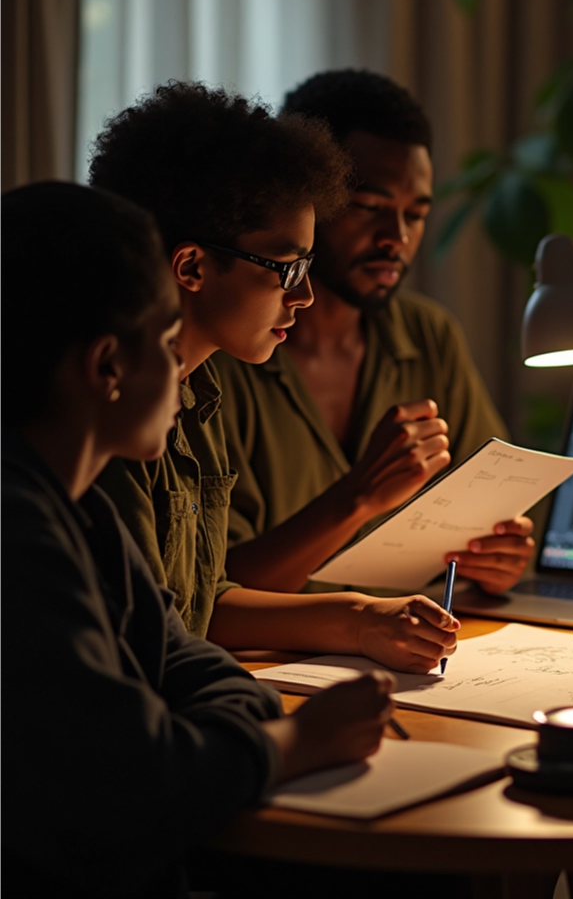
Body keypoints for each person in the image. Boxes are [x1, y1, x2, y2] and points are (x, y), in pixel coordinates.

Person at [0, 182, 394, 899]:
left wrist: (211, 730)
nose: (182, 375)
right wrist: (296, 744)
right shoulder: (22, 541)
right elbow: (142, 784)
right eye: (164, 342)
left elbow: (191, 661)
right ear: (108, 368)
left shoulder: (83, 517)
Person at [88, 83, 458, 671]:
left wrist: (361, 620)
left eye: (308, 268)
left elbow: (202, 604)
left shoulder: (196, 394)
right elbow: (148, 647)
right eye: (287, 270)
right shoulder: (112, 422)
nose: (306, 294)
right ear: (192, 267)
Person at [211, 69, 533, 596]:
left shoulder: (429, 335)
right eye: (369, 208)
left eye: (416, 214)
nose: (397, 239)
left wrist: (500, 554)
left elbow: (499, 509)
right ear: (306, 196)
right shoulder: (222, 351)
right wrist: (358, 495)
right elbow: (210, 593)